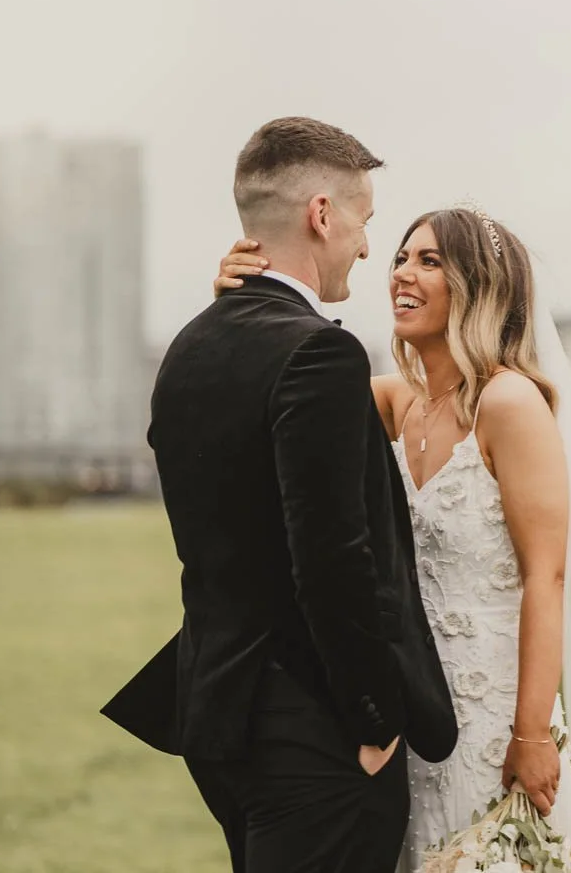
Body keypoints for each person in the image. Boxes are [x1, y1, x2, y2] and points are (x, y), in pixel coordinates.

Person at [213, 204, 571, 872]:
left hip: (495, 725)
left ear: (480, 285)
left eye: (430, 261)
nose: (403, 273)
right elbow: (292, 386)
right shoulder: (396, 403)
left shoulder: (510, 403)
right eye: (402, 258)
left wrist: (530, 736)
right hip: (416, 721)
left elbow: (545, 577)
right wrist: (242, 302)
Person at [102, 117, 457, 873]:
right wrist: (372, 719)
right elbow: (330, 554)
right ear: (322, 215)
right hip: (317, 731)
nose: (368, 247)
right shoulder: (319, 352)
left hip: (219, 713)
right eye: (365, 222)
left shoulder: (189, 349)